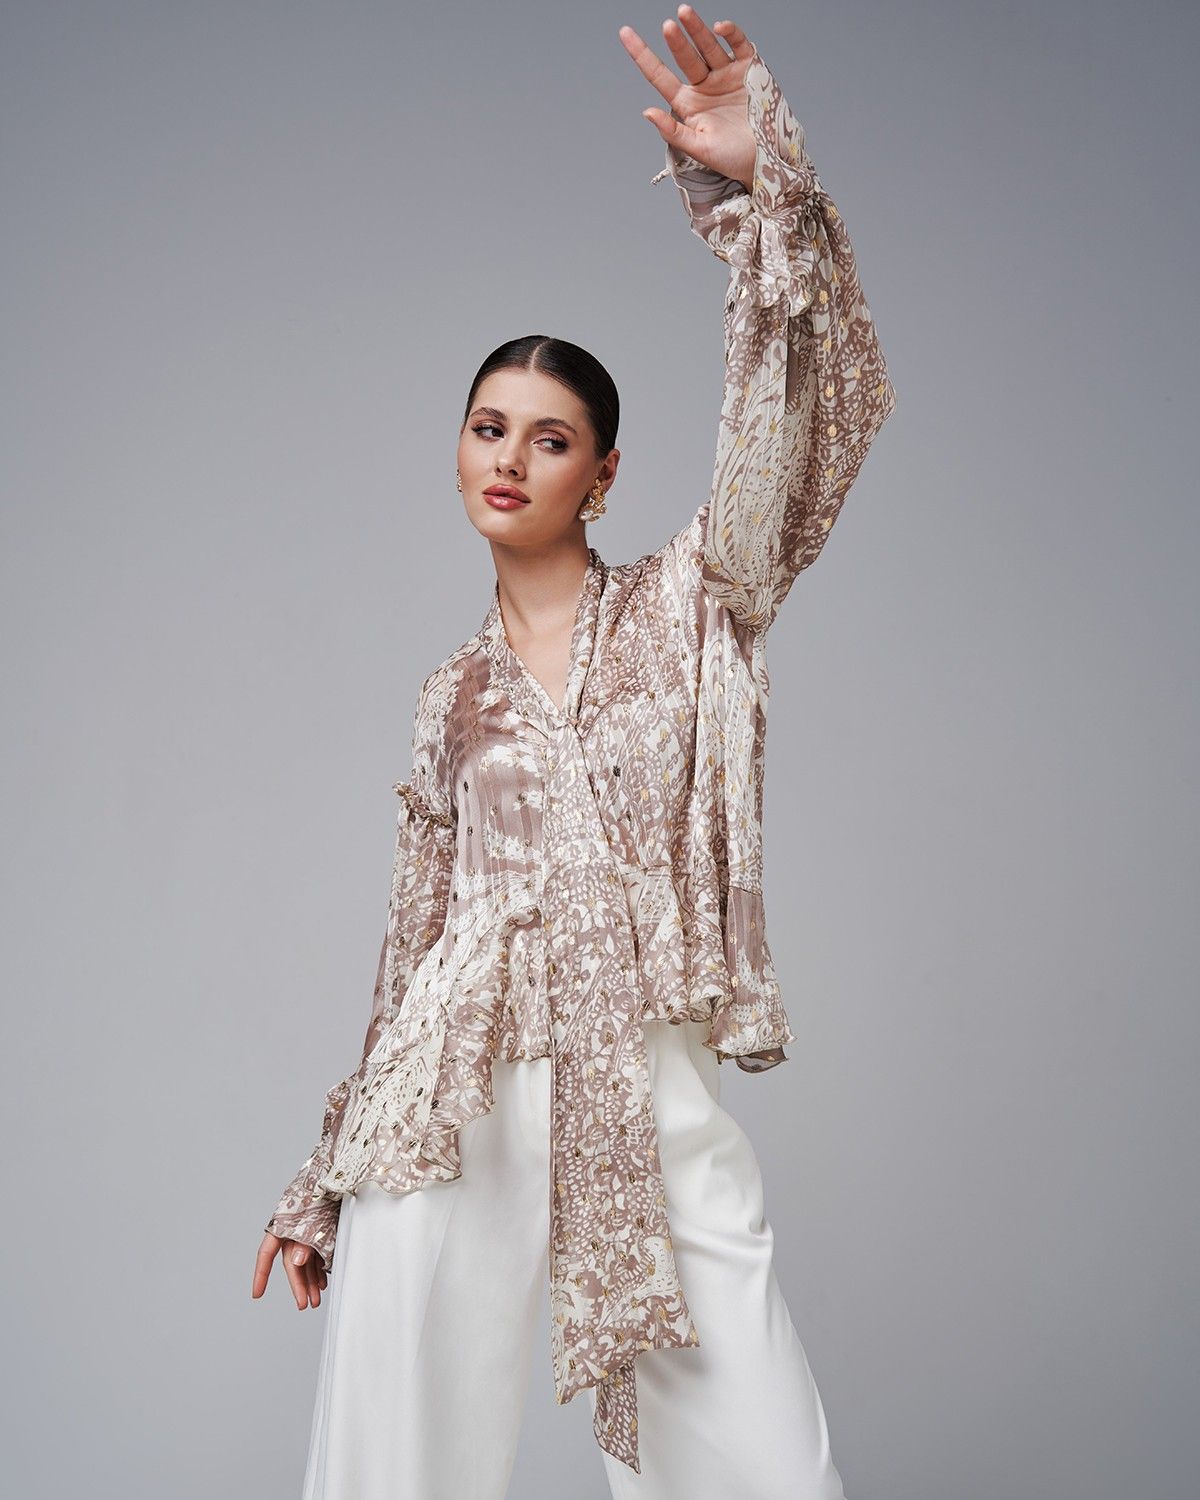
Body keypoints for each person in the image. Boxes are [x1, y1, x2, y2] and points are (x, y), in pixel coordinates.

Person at [251, 8, 895, 1497]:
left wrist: (765, 198)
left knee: (763, 1461)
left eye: (549, 438)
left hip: (642, 1084)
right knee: (392, 1463)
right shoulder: (451, 700)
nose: (509, 456)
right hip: (453, 1094)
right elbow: (413, 948)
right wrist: (326, 1178)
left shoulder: (694, 604)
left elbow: (807, 429)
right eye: (488, 427)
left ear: (603, 475)